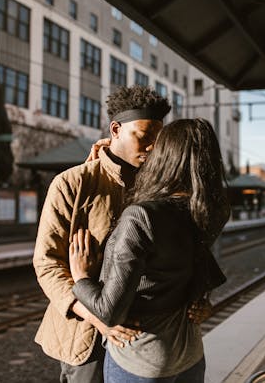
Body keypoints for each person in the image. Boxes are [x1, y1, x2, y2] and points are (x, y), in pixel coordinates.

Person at [69, 118, 230, 382]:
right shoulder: (211, 211)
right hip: (189, 352)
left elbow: (110, 312)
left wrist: (81, 278)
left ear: (167, 155)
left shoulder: (141, 216)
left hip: (143, 358)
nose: (150, 149)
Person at [33, 85, 171, 383]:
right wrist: (98, 317)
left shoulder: (158, 189)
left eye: (158, 140)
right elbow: (47, 264)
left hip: (143, 334)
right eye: (144, 136)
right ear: (116, 129)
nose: (152, 147)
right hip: (86, 335)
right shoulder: (71, 183)